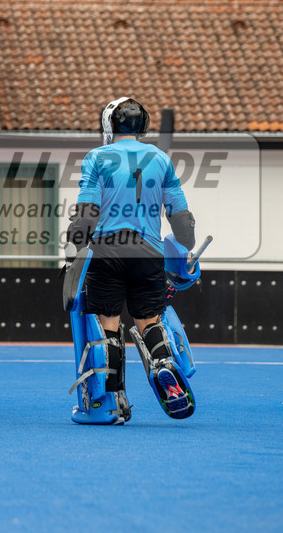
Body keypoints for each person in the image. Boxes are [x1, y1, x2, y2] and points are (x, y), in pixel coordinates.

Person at [66, 96, 197, 423]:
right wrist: (185, 249)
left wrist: (77, 243)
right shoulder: (161, 158)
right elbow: (181, 218)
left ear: (109, 124)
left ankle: (113, 404)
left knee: (108, 325)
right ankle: (164, 365)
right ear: (144, 125)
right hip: (148, 251)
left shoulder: (97, 157)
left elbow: (87, 214)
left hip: (107, 251)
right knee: (149, 321)